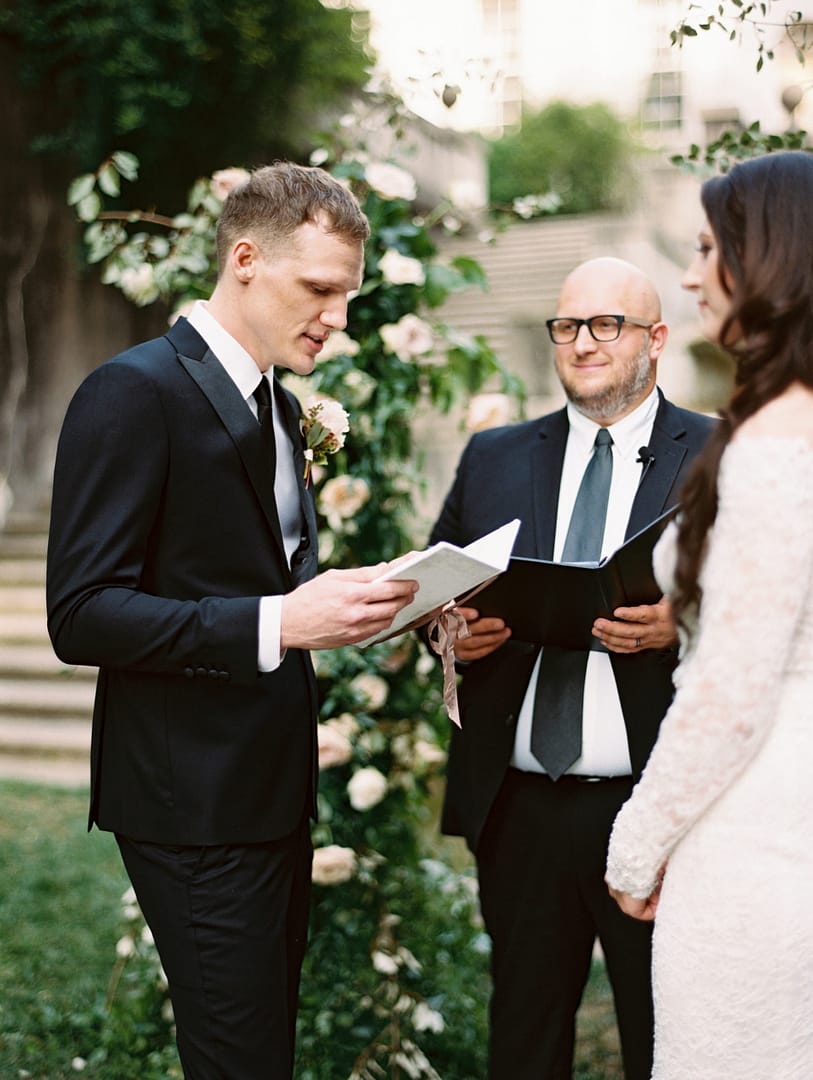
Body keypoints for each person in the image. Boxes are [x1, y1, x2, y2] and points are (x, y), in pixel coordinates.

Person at [46, 162, 419, 1080]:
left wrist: (387, 602)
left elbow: (264, 579)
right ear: (245, 258)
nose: (336, 316)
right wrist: (280, 625)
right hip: (190, 806)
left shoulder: (280, 407)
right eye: (320, 289)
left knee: (257, 1054)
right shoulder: (132, 392)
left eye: (347, 295)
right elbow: (82, 614)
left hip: (270, 796)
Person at [427, 256, 715, 1079]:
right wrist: (447, 632)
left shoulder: (717, 452)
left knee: (665, 1040)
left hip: (655, 807)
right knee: (522, 1034)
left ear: (655, 339)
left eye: (606, 325)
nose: (582, 343)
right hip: (514, 804)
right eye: (566, 326)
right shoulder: (492, 455)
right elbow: (437, 583)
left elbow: (778, 609)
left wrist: (683, 624)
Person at [606, 152, 813, 1078]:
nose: (688, 275)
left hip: (757, 834)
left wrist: (635, 848)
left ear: (766, 257)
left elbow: (731, 692)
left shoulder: (775, 443)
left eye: (704, 249)